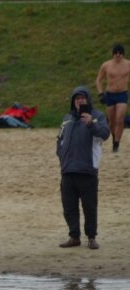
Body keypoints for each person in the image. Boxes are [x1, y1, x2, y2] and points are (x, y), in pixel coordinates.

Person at [56, 86, 110, 250]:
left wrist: (90, 124)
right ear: (73, 101)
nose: (79, 101)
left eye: (82, 98)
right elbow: (60, 138)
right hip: (68, 170)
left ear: (88, 100)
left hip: (87, 171)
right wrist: (61, 154)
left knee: (90, 208)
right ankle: (74, 237)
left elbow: (105, 134)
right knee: (69, 207)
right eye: (76, 98)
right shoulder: (67, 118)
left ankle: (91, 238)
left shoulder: (97, 116)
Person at [95, 44, 130, 152]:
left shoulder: (128, 64)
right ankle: (114, 137)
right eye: (116, 52)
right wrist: (100, 93)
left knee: (120, 119)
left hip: (122, 94)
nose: (118, 55)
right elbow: (99, 79)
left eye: (120, 53)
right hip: (110, 94)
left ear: (123, 54)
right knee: (112, 121)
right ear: (112, 54)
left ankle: (116, 143)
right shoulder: (106, 65)